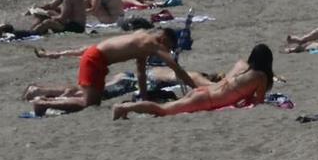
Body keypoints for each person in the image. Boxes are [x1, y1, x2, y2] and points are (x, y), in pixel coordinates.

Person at [25, 29, 195, 113]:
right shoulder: (152, 43)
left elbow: (141, 73)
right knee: (88, 103)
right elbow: (175, 67)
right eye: (168, 47)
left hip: (97, 60)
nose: (167, 51)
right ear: (163, 39)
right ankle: (43, 103)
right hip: (94, 60)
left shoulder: (142, 39)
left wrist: (144, 100)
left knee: (93, 100)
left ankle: (42, 96)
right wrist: (197, 88)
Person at [111, 45, 275, 118]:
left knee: (165, 108)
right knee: (162, 110)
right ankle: (124, 107)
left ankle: (126, 109)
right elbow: (258, 101)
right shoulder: (260, 76)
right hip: (206, 100)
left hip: (202, 91)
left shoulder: (241, 65)